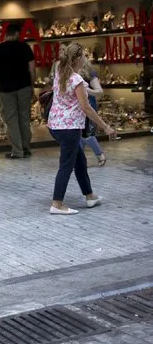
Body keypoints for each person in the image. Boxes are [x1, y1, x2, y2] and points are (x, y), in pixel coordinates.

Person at [47, 42, 116, 215]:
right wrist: (105, 127)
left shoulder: (59, 73)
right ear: (78, 58)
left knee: (79, 160)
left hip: (55, 125)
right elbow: (86, 108)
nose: (85, 59)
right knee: (66, 165)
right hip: (69, 127)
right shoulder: (76, 79)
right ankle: (57, 204)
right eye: (84, 56)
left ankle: (90, 195)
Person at [0, 24, 35, 158]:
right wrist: (31, 86)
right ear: (16, 34)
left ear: (6, 34)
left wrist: (3, 75)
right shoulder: (25, 47)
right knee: (25, 118)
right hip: (24, 86)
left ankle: (17, 151)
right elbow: (32, 69)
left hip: (6, 88)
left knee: (11, 119)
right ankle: (26, 148)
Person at [79, 56, 107, 166]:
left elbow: (99, 91)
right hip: (76, 109)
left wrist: (86, 89)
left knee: (87, 134)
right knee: (78, 135)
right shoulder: (71, 74)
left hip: (88, 107)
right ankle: (80, 161)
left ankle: (99, 154)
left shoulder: (90, 74)